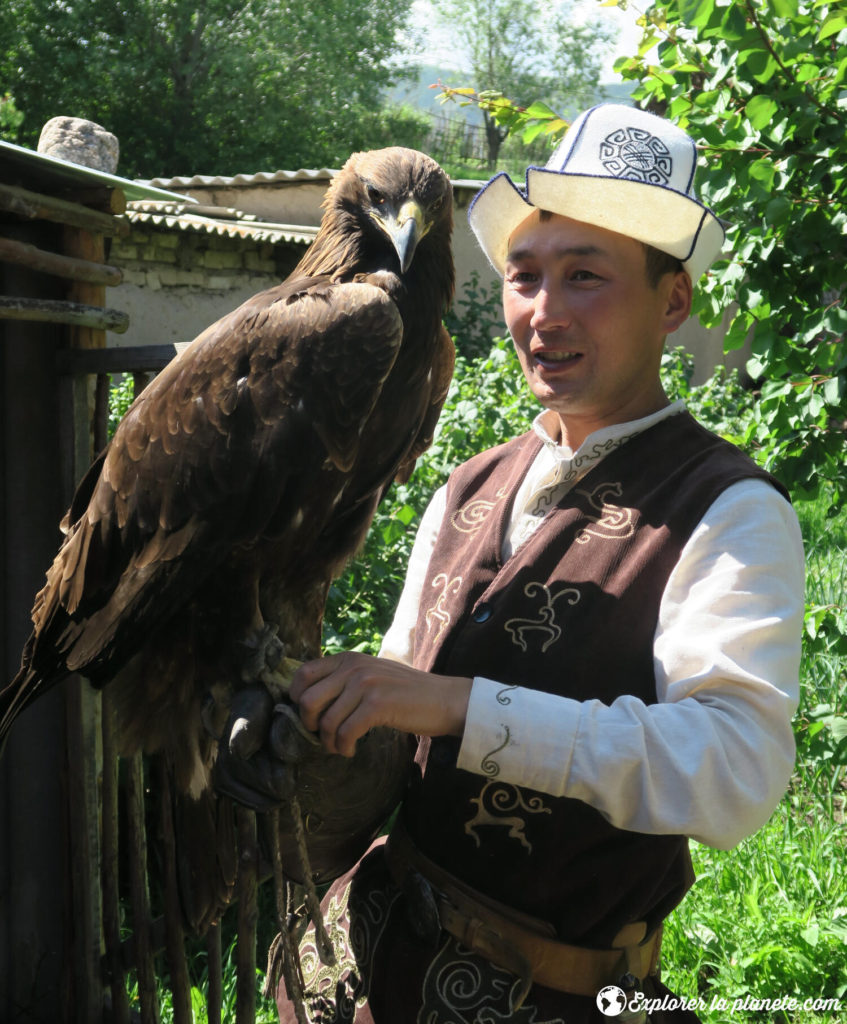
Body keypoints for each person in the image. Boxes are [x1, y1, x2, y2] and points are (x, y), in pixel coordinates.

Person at [275, 103, 805, 1024]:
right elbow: (403, 695)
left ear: (672, 301)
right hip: (360, 966)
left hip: (553, 993)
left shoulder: (727, 507)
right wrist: (325, 712)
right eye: (523, 276)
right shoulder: (468, 484)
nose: (543, 313)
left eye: (585, 277)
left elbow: (732, 774)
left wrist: (454, 706)